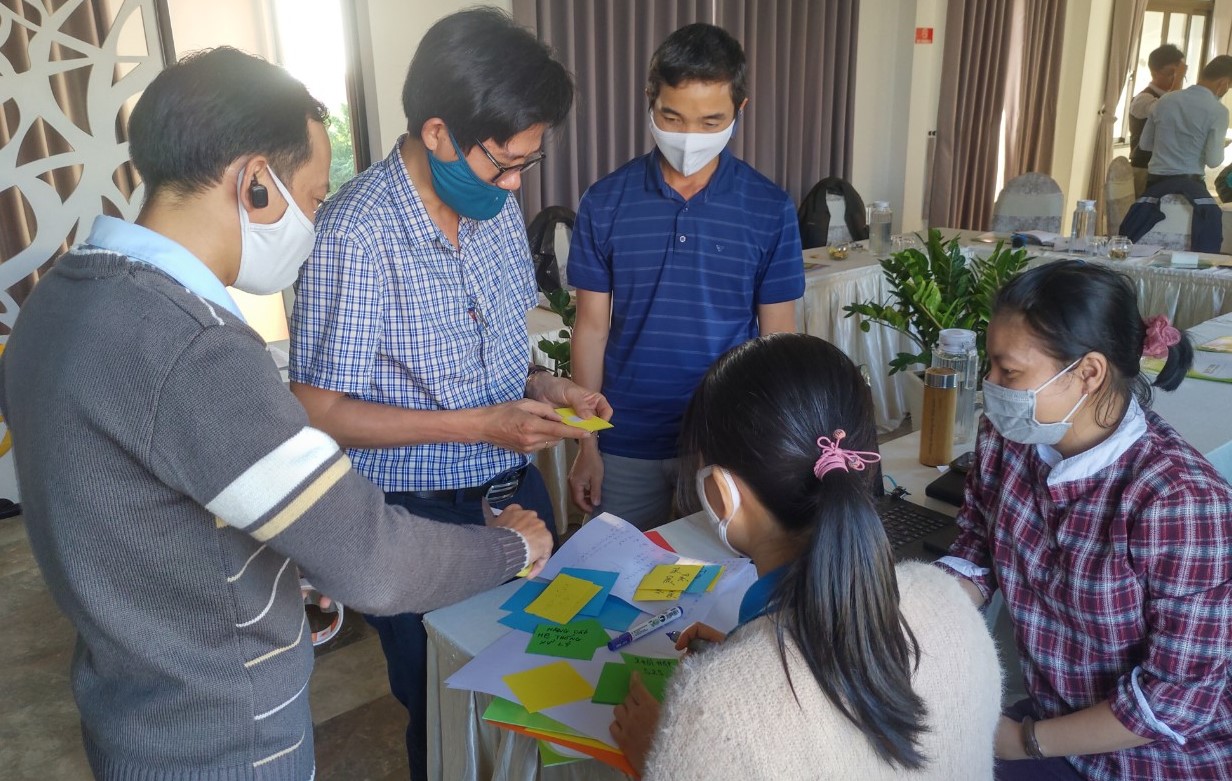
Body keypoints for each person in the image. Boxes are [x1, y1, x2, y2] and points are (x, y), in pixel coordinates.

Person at [0, 47, 552, 781]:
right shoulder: (196, 348)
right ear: (254, 183)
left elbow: (135, 514)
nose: (317, 221)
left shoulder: (57, 301)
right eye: (315, 197)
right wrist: (512, 548)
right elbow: (374, 562)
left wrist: (285, 563)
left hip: (132, 710)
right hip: (229, 736)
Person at [287, 9, 607, 778]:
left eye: (527, 163)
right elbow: (317, 409)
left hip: (517, 491)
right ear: (437, 133)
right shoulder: (356, 234)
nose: (515, 183)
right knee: (446, 702)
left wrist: (545, 385)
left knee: (544, 686)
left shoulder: (493, 210)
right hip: (415, 519)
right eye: (503, 163)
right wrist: (480, 424)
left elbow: (493, 350)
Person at [609, 333, 1002, 778]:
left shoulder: (714, 707)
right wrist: (748, 654)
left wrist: (656, 761)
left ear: (721, 495)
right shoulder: (951, 603)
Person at [938, 261, 1232, 779]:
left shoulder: (1178, 501)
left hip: (1155, 754)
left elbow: (1174, 701)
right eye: (992, 366)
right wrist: (913, 612)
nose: (991, 385)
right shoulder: (1009, 440)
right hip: (1054, 718)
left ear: (1088, 373)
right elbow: (976, 548)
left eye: (1009, 373)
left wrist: (1025, 741)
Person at [567, 23, 805, 530]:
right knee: (618, 582)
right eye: (672, 117)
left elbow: (777, 339)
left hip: (722, 442)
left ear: (739, 111)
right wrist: (586, 441)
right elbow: (591, 327)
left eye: (710, 120)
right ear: (650, 100)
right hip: (624, 439)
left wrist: (763, 446)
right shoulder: (605, 201)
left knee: (718, 583)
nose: (689, 137)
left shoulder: (769, 208)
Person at [1139, 54, 1232, 190]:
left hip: (1155, 183)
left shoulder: (1165, 100)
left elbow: (1145, 143)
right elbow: (1214, 161)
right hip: (1189, 186)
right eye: (1228, 88)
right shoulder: (1219, 111)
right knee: (1214, 212)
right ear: (1223, 83)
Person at [1129, 44, 1186, 195]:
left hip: (1165, 171)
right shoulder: (1143, 99)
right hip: (1143, 170)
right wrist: (1179, 80)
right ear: (1154, 72)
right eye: (1171, 73)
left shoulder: (1175, 97)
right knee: (1143, 217)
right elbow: (1168, 109)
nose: (1175, 78)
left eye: (1179, 74)